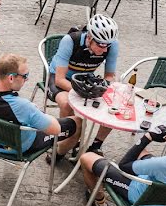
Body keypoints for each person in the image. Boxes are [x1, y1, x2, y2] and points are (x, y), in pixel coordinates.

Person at [0, 53, 81, 159]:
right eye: (25, 76)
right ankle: (58, 155)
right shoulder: (24, 107)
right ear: (11, 78)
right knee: (77, 122)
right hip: (18, 147)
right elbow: (56, 130)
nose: (27, 79)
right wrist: (39, 113)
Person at [48, 14, 119, 155]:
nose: (105, 50)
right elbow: (60, 80)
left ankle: (96, 145)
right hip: (61, 79)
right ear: (90, 37)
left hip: (86, 79)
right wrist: (84, 93)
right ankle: (64, 144)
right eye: (101, 45)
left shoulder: (112, 45)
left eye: (108, 45)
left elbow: (110, 76)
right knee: (66, 103)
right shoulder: (70, 41)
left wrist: (106, 87)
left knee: (114, 104)